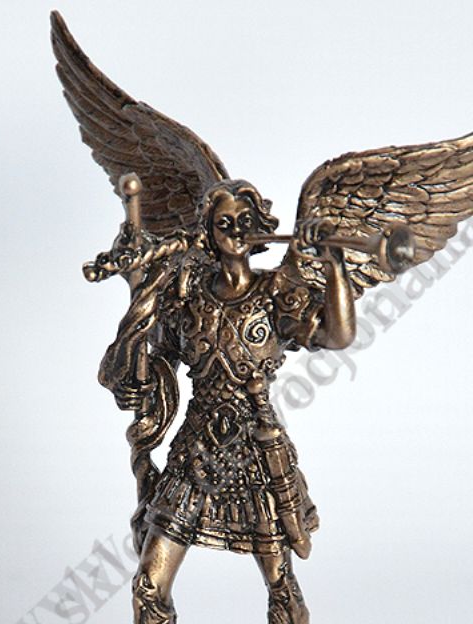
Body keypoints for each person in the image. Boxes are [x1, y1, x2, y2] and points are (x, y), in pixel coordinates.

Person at [106, 180, 356, 624]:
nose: (236, 231)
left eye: (244, 221)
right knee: (148, 585)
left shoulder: (275, 293)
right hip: (194, 454)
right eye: (224, 223)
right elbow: (155, 354)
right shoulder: (189, 298)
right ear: (209, 231)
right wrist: (139, 298)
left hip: (256, 452)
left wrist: (335, 266)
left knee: (281, 587)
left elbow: (337, 336)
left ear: (258, 226)